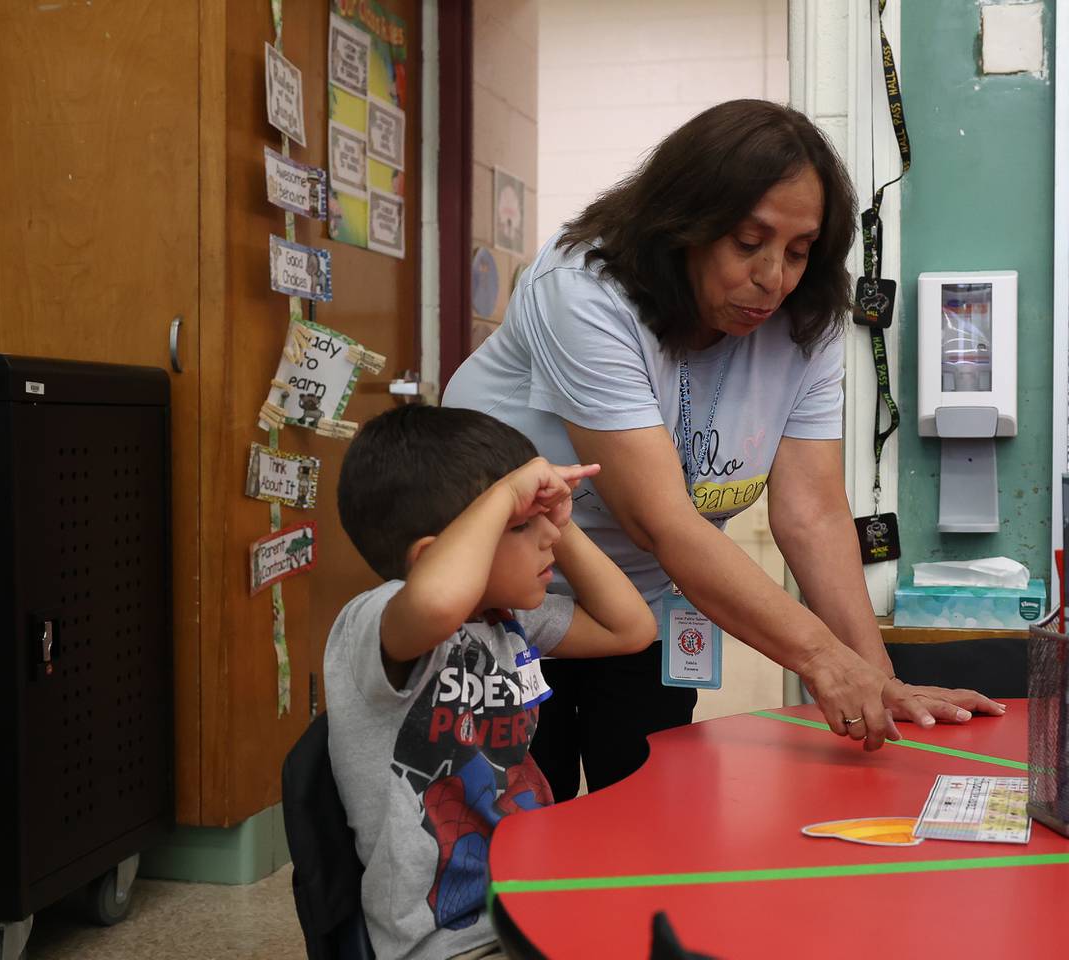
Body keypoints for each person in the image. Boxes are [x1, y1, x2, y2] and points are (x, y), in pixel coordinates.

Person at [444, 98, 1002, 803]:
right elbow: (661, 519)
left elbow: (812, 513)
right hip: (501, 602)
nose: (774, 278)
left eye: (799, 251)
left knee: (649, 818)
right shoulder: (584, 287)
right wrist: (823, 660)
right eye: (748, 242)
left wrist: (877, 676)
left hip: (636, 608)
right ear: (683, 226)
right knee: (516, 824)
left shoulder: (805, 321)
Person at [325, 405, 655, 960]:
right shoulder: (378, 618)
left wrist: (557, 522)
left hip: (530, 902)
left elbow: (632, 629)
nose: (547, 536)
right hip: (452, 940)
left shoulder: (509, 619)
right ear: (432, 556)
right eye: (523, 528)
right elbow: (436, 600)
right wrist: (504, 497)